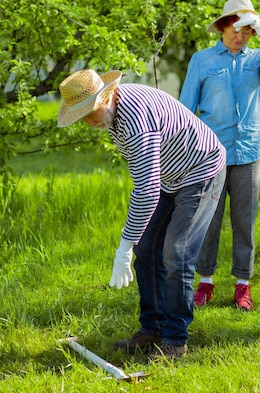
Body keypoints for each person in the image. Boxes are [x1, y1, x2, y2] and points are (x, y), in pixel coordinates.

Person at [57, 69, 226, 359]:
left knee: (177, 253)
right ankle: (153, 329)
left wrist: (123, 248)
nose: (88, 122)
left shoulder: (135, 122)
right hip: (169, 176)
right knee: (147, 248)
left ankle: (175, 340)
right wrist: (133, 244)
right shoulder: (114, 113)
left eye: (90, 113)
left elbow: (146, 191)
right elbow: (147, 178)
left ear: (107, 96)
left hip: (201, 172)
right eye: (82, 116)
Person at [179, 0, 260, 311]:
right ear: (223, 28)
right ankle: (205, 282)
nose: (240, 37)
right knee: (207, 221)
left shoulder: (257, 60)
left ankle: (243, 285)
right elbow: (186, 108)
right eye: (235, 30)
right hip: (211, 154)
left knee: (245, 220)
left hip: (250, 152)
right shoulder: (202, 61)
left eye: (247, 31)